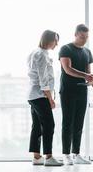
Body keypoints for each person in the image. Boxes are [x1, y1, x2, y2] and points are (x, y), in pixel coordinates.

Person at [59, 24, 93, 165]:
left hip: (82, 91)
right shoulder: (65, 49)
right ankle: (66, 155)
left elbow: (89, 74)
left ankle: (76, 154)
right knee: (68, 123)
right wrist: (86, 75)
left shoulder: (87, 52)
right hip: (68, 91)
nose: (84, 40)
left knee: (79, 123)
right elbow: (68, 69)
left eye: (86, 37)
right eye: (81, 37)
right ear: (75, 34)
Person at [27, 30, 63, 166]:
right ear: (48, 40)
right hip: (40, 96)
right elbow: (43, 81)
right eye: (55, 40)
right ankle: (48, 157)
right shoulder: (41, 55)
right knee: (49, 125)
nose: (56, 44)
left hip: (32, 95)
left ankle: (37, 157)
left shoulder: (35, 52)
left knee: (37, 125)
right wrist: (51, 99)